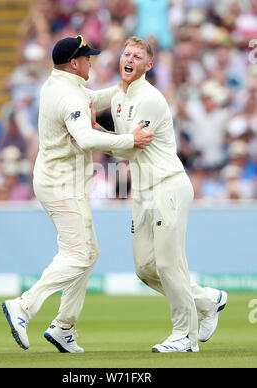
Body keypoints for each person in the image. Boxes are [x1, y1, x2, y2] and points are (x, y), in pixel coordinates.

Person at [2, 35, 153, 353]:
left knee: (88, 253)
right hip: (60, 186)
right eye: (87, 58)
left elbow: (93, 100)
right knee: (79, 254)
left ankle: (63, 327)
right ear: (74, 63)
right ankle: (23, 307)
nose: (91, 62)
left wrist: (128, 83)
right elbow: (85, 137)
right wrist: (129, 141)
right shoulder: (67, 96)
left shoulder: (61, 85)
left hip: (62, 182)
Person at [91, 36, 227, 353]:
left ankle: (185, 337)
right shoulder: (119, 94)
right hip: (143, 191)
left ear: (148, 65)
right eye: (126, 53)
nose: (130, 58)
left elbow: (132, 144)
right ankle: (207, 300)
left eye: (138, 56)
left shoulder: (150, 98)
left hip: (168, 185)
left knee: (168, 264)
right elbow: (88, 101)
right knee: (145, 269)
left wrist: (96, 136)